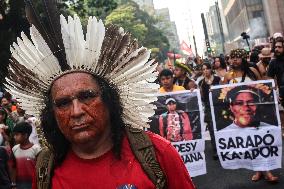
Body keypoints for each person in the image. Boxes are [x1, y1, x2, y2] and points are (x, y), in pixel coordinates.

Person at [6, 2, 195, 188]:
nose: (77, 111)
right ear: (52, 113)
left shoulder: (159, 153)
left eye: (87, 96)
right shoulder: (44, 170)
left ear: (109, 100)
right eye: (63, 103)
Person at [222, 85, 279, 182]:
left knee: (260, 147)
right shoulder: (223, 134)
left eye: (251, 102)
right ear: (231, 107)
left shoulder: (270, 128)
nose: (246, 108)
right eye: (239, 103)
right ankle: (262, 172)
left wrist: (272, 88)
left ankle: (262, 171)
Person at [198, 63, 220, 159]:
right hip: (208, 107)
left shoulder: (217, 79)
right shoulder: (201, 83)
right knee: (211, 129)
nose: (205, 71)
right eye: (203, 69)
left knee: (220, 127)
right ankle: (215, 150)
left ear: (211, 69)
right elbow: (201, 97)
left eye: (207, 68)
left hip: (218, 106)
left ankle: (223, 148)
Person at [11, 122, 41, 189]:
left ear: (25, 135)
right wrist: (13, 184)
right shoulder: (14, 149)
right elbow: (13, 167)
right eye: (14, 135)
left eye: (17, 135)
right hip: (19, 185)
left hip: (33, 185)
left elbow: (40, 169)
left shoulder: (36, 149)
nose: (14, 137)